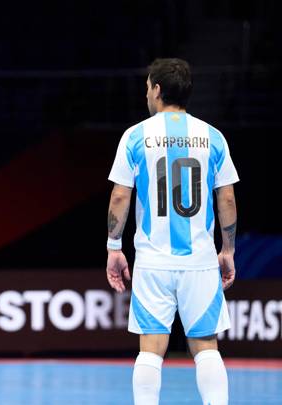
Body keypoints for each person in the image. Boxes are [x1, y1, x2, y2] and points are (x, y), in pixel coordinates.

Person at [106, 58, 238, 405]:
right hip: (200, 259)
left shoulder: (135, 136)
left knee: (151, 350)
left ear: (158, 90)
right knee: (206, 347)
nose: (146, 93)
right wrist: (228, 250)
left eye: (148, 86)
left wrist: (113, 247)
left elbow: (120, 195)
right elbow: (226, 197)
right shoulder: (213, 137)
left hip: (152, 261)